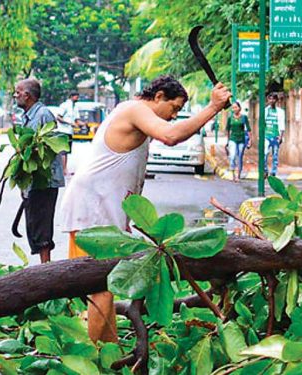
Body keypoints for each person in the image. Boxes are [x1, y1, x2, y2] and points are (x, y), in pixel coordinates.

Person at [60, 75, 231, 343]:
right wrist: (212, 108)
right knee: (99, 287)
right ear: (159, 96)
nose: (174, 116)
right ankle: (100, 357)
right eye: (173, 108)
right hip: (92, 209)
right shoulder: (134, 109)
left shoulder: (136, 113)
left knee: (105, 286)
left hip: (103, 210)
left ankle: (108, 349)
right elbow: (171, 136)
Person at [14, 78, 65, 264]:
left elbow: (53, 146)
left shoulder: (43, 114)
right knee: (33, 223)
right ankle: (42, 267)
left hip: (45, 179)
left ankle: (46, 267)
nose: (15, 95)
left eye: (18, 92)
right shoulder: (27, 115)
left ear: (27, 96)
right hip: (32, 180)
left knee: (42, 224)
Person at [55, 92, 80, 175]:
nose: (77, 99)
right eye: (76, 97)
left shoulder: (75, 107)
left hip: (69, 131)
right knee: (63, 151)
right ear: (71, 97)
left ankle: (65, 169)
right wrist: (68, 123)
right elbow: (58, 117)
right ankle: (63, 170)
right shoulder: (65, 105)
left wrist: (83, 124)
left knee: (67, 151)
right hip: (63, 130)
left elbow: (77, 120)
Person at [225, 102, 250, 182]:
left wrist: (250, 140)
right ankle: (233, 174)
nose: (234, 109)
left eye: (236, 107)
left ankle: (238, 175)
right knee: (232, 156)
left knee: (239, 157)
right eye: (233, 108)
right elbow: (228, 130)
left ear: (239, 108)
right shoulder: (230, 118)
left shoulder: (244, 117)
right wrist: (228, 141)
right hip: (232, 139)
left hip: (241, 139)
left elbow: (249, 129)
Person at [263, 94, 286, 177]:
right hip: (266, 135)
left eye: (273, 99)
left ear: (276, 100)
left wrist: (281, 136)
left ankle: (273, 172)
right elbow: (262, 124)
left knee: (275, 155)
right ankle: (265, 170)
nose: (271, 101)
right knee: (264, 153)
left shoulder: (280, 112)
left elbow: (282, 125)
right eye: (270, 99)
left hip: (276, 135)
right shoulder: (265, 111)